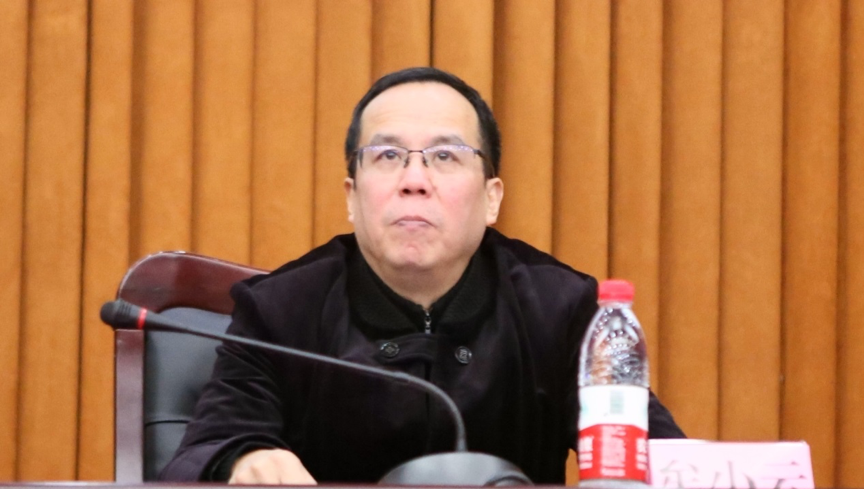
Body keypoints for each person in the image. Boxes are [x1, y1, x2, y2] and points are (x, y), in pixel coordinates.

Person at [159, 67, 684, 485]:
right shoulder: (280, 310)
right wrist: (244, 458)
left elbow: (664, 460)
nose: (414, 180)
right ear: (352, 196)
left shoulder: (561, 308)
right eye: (388, 155)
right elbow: (196, 456)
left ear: (492, 199)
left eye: (445, 156)